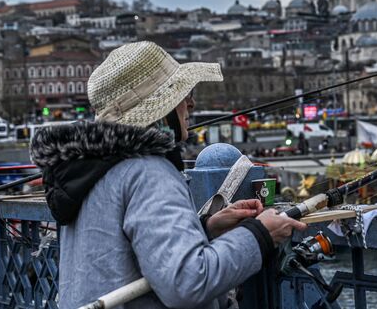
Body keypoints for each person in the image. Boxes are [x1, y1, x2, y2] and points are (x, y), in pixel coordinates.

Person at [30, 41, 305, 309]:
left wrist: (205, 229)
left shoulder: (88, 169)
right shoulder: (147, 172)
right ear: (162, 111)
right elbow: (187, 284)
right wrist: (259, 235)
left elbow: (123, 255)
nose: (192, 104)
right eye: (183, 96)